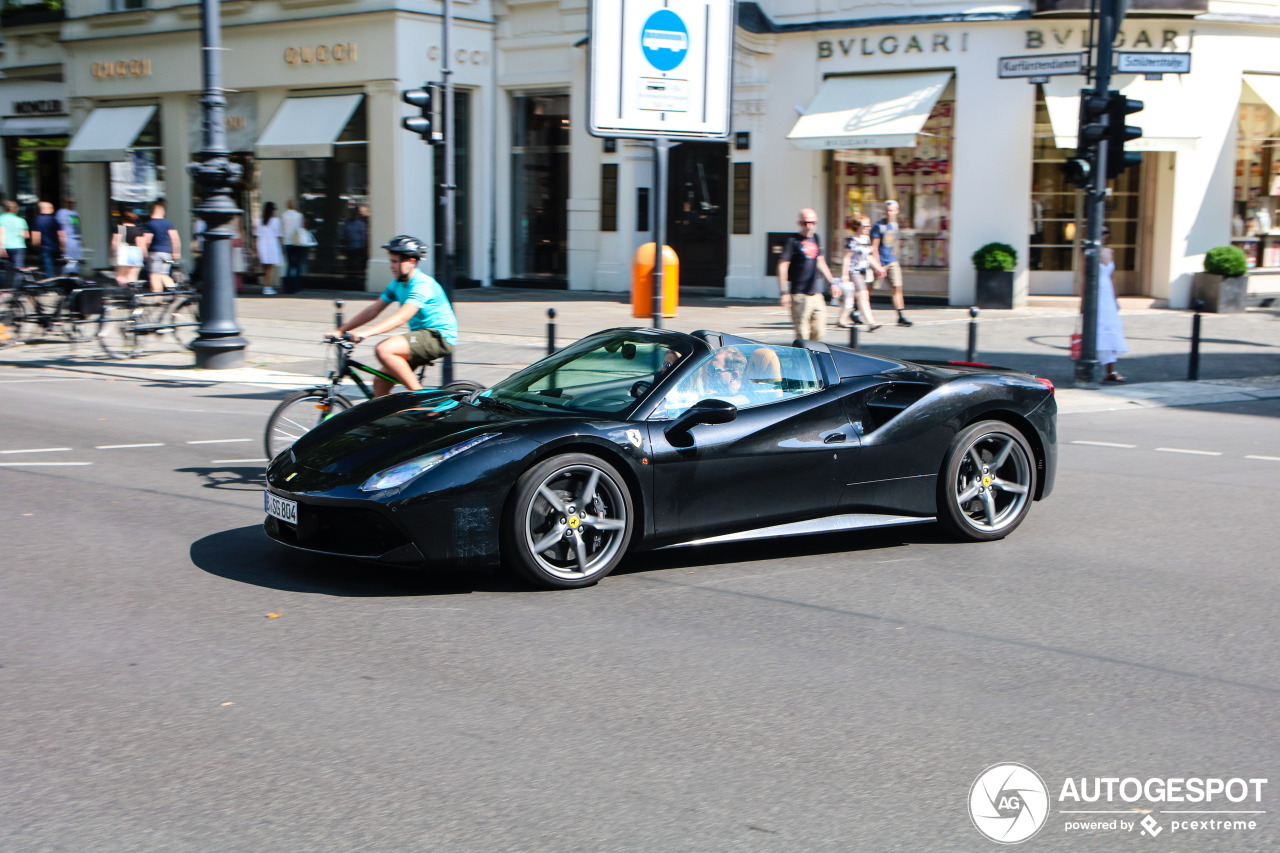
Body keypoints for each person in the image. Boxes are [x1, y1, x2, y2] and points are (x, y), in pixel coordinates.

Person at [328, 235, 458, 397]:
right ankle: (396, 420)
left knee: (384, 349)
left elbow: (401, 317)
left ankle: (422, 399)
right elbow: (373, 310)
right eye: (391, 261)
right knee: (380, 383)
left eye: (396, 262)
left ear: (411, 262)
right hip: (420, 336)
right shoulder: (398, 284)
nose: (392, 266)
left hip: (438, 336)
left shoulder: (422, 285)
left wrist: (365, 334)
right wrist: (341, 330)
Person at [777, 208, 842, 342]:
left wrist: (832, 283)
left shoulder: (816, 238)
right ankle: (801, 360)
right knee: (802, 333)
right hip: (799, 295)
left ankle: (810, 356)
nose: (809, 226)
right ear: (799, 223)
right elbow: (783, 265)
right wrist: (784, 292)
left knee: (819, 331)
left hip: (816, 293)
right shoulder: (792, 241)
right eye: (805, 223)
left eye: (812, 223)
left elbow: (821, 262)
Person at [869, 200, 913, 327]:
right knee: (871, 288)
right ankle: (855, 308)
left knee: (897, 287)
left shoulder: (895, 225)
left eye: (892, 210)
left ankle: (900, 316)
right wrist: (878, 265)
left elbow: (892, 243)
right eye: (887, 210)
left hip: (892, 260)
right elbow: (874, 247)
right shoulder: (879, 226)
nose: (889, 213)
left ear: (896, 211)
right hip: (880, 262)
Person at [1095, 226, 1129, 382]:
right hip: (1095, 293)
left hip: (1107, 294)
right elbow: (1084, 276)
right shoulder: (1089, 252)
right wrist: (1083, 301)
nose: (1104, 235)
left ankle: (1111, 370)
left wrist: (1116, 297)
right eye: (1101, 232)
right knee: (1096, 330)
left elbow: (1112, 277)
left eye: (1106, 232)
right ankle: (1093, 370)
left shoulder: (1110, 252)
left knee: (1111, 329)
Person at [837, 217, 882, 332]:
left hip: (863, 271)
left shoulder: (866, 239)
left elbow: (869, 256)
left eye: (869, 226)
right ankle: (871, 322)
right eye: (866, 226)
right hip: (854, 271)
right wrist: (845, 274)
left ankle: (841, 319)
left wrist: (878, 268)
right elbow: (847, 258)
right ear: (858, 227)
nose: (868, 228)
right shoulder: (852, 240)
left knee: (851, 297)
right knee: (863, 295)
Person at [138, 201, 182, 292]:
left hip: (155, 254)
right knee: (164, 274)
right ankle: (174, 291)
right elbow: (175, 238)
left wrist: (144, 253)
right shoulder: (168, 223)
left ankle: (158, 298)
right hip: (167, 254)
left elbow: (147, 240)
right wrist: (176, 252)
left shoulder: (150, 224)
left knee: (154, 275)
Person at [256, 201, 283, 295]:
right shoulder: (276, 220)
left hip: (262, 245)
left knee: (265, 268)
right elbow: (278, 235)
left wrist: (256, 249)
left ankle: (266, 286)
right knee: (271, 268)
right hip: (272, 245)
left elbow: (257, 235)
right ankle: (268, 287)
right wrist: (281, 246)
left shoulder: (261, 221)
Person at [0, 200, 30, 285]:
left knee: (5, 269)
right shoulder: (20, 220)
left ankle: (5, 287)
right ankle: (16, 288)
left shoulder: (1, 219)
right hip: (18, 246)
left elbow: (0, 233)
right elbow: (26, 235)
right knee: (19, 268)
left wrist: (1, 247)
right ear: (15, 209)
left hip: (5, 247)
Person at [281, 198, 307, 294]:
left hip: (287, 241)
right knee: (297, 265)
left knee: (289, 264)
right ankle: (296, 286)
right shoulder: (299, 215)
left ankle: (288, 286)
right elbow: (302, 227)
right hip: (297, 241)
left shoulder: (283, 215)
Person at [110, 211, 144, 284]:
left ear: (123, 219)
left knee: (121, 276)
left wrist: (113, 252)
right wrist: (145, 256)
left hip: (123, 253)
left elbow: (115, 242)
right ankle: (132, 292)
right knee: (133, 278)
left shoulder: (119, 228)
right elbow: (141, 245)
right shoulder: (138, 231)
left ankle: (123, 293)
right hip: (135, 252)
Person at [30, 201, 62, 278]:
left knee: (47, 269)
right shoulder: (54, 220)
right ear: (44, 208)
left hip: (44, 248)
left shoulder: (37, 220)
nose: (52, 209)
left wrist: (35, 246)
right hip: (55, 248)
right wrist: (62, 246)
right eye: (51, 207)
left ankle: (49, 283)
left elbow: (35, 236)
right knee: (54, 269)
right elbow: (60, 234)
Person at [55, 197, 83, 273]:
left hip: (76, 239)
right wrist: (62, 242)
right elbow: (60, 228)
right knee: (69, 260)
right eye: (69, 203)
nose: (71, 205)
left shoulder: (75, 213)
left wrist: (81, 239)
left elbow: (77, 227)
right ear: (65, 203)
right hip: (68, 238)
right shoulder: (61, 213)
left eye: (72, 203)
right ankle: (67, 275)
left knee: (77, 260)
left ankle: (74, 274)